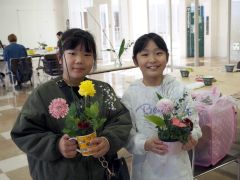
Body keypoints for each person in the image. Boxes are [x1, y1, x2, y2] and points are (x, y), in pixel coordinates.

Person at [11, 28, 132, 180]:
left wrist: (108, 141)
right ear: (60, 57)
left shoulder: (103, 90)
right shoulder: (43, 94)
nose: (80, 60)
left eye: (87, 54)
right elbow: (23, 133)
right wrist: (56, 145)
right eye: (72, 53)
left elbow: (121, 120)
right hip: (59, 174)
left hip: (100, 173)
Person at [121, 33, 202, 180]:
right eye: (145, 54)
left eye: (159, 53)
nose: (152, 59)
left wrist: (192, 137)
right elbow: (127, 134)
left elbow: (194, 124)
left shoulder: (178, 89)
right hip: (146, 170)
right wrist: (144, 143)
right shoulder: (131, 95)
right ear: (135, 60)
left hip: (178, 170)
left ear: (167, 57)